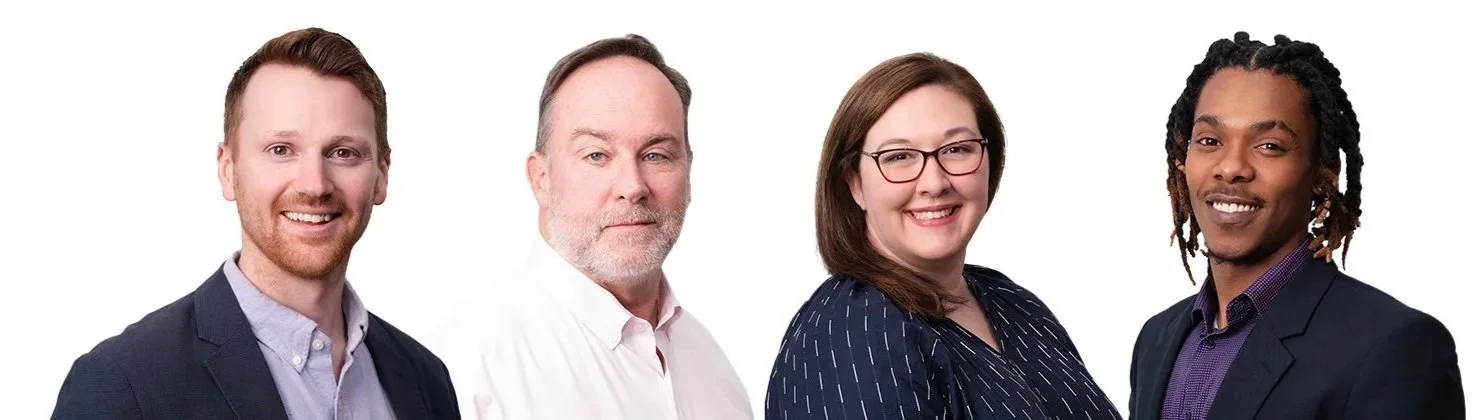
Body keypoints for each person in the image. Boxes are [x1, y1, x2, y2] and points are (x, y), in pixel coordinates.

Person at [50, 27, 460, 419]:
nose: (314, 184)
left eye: (343, 153)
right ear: (228, 170)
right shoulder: (123, 386)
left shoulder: (427, 381)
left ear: (382, 175)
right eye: (281, 149)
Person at [763, 52, 1121, 420]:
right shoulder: (854, 332)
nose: (934, 184)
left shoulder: (1015, 305)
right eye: (899, 157)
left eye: (957, 150)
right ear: (855, 184)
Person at [1127, 32, 1464, 420]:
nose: (1231, 167)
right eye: (1209, 140)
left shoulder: (1394, 347)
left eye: (1269, 145)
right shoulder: (1156, 340)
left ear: (1323, 176)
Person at [442, 34, 752, 419]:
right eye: (597, 155)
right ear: (542, 179)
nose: (632, 187)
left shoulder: (710, 366)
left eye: (656, 155)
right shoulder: (471, 367)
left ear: (689, 174)